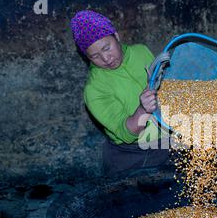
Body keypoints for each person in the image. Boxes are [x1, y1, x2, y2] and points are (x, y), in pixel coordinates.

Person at [70, 10, 169, 177]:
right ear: (87, 57)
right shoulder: (94, 90)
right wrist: (143, 110)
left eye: (107, 48)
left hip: (165, 138)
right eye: (95, 56)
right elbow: (127, 133)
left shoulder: (141, 51)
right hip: (131, 155)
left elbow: (163, 85)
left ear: (116, 36)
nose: (106, 59)